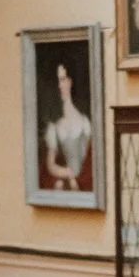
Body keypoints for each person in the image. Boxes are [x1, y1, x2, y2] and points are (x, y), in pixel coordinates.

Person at [38, 60, 93, 192]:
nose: (59, 85)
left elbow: (90, 162)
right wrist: (68, 174)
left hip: (84, 186)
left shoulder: (85, 122)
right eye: (58, 81)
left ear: (70, 82)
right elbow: (50, 165)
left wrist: (76, 180)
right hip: (64, 184)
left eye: (63, 80)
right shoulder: (54, 126)